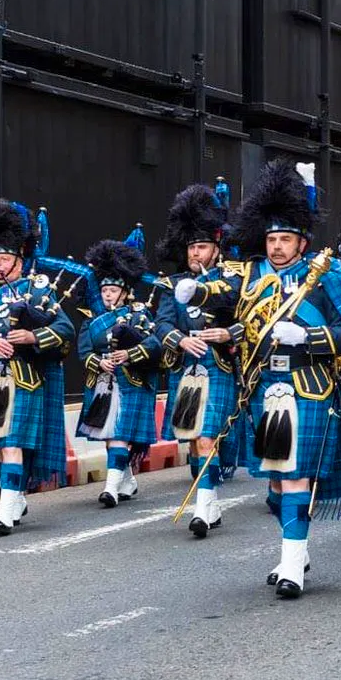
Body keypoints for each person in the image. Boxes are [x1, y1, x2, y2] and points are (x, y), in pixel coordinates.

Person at [175, 159, 341, 597]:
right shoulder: (252, 273)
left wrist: (308, 337)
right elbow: (224, 291)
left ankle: (291, 565)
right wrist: (198, 291)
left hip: (309, 388)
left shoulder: (329, 277)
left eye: (284, 239)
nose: (276, 246)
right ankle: (298, 550)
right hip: (262, 389)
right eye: (271, 239)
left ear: (302, 241)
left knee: (295, 477)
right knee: (274, 486)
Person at [155, 185, 237, 538]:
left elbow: (249, 321)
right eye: (191, 247)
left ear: (216, 248)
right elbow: (161, 324)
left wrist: (227, 334)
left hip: (217, 367)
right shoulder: (171, 284)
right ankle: (211, 499)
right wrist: (181, 339)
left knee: (206, 438)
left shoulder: (233, 280)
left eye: (201, 247)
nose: (195, 253)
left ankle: (202, 508)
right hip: (185, 368)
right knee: (192, 440)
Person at [0, 201, 74, 535]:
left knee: (11, 442)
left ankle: (5, 511)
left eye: (3, 259)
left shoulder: (37, 289)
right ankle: (15, 497)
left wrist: (32, 336)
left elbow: (65, 329)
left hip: (25, 378)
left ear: (19, 258)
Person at [78, 235, 162, 509]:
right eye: (104, 290)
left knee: (118, 436)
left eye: (113, 290)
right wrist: (98, 362)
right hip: (102, 383)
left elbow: (154, 344)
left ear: (125, 292)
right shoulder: (92, 321)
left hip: (131, 382)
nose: (108, 295)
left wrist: (129, 354)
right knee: (109, 437)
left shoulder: (139, 315)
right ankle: (127, 481)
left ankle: (110, 489)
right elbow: (84, 351)